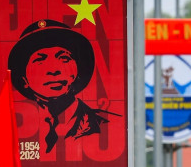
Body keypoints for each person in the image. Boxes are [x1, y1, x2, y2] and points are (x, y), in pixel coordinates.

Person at [8, 19, 118, 154]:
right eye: (40, 60)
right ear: (24, 79)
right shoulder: (10, 129)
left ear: (77, 72)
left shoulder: (109, 124)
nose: (54, 70)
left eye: (64, 58)